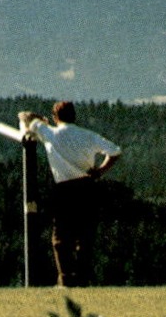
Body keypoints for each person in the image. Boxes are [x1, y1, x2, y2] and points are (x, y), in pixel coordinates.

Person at [19, 101, 121, 287]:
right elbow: (115, 151)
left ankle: (65, 279)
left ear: (55, 117)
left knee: (61, 237)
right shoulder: (88, 136)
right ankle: (82, 278)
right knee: (85, 235)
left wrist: (42, 121)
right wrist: (100, 170)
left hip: (64, 188)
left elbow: (24, 116)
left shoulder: (50, 133)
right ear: (74, 116)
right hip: (87, 186)